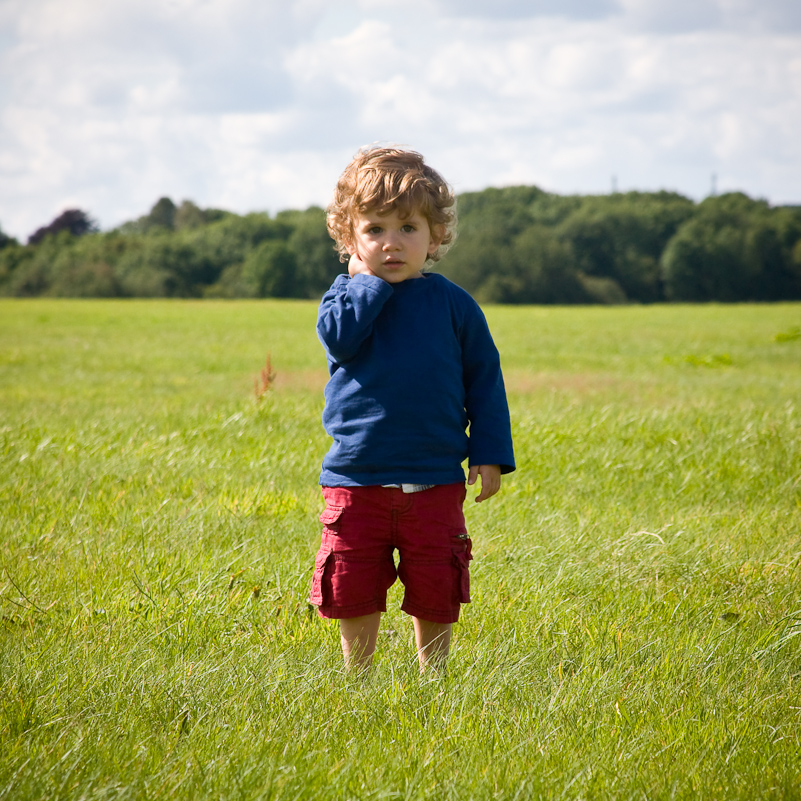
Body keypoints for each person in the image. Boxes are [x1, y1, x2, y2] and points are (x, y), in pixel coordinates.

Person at [309, 145, 515, 672]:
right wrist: (367, 283)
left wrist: (489, 454)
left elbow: (484, 381)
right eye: (374, 230)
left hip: (434, 478)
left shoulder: (453, 305)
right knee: (353, 577)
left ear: (436, 236)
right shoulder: (345, 299)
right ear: (349, 238)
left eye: (407, 228)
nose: (391, 244)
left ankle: (434, 672)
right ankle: (358, 674)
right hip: (357, 478)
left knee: (436, 576)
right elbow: (341, 339)